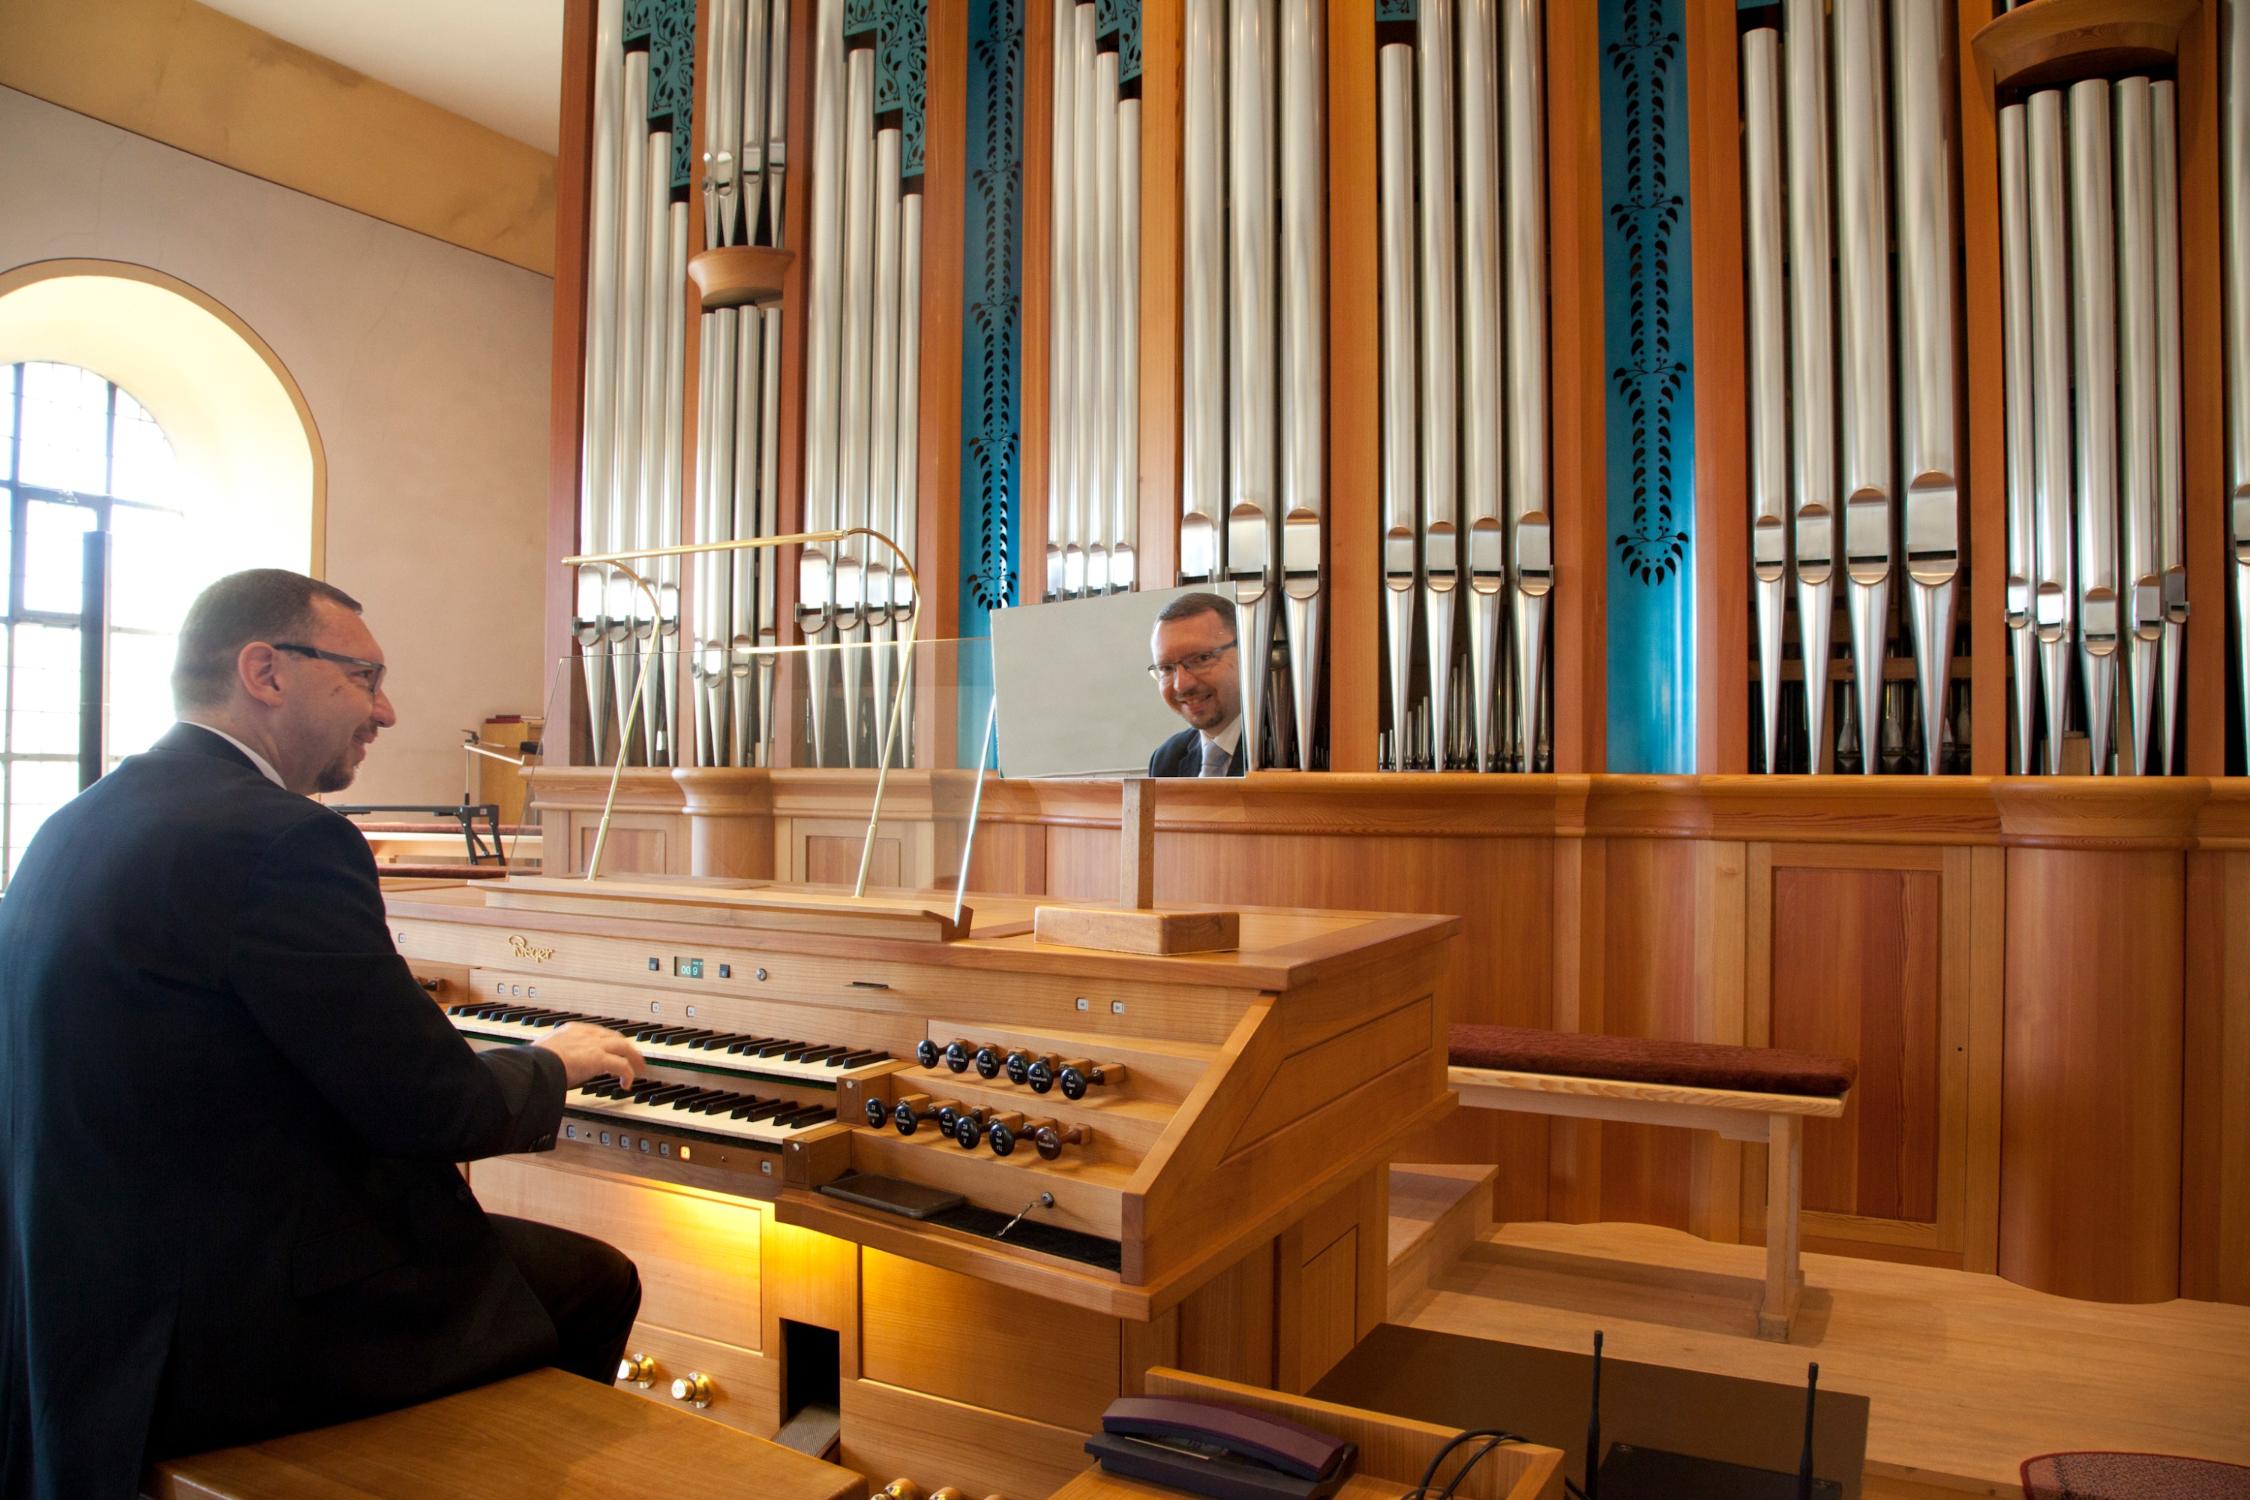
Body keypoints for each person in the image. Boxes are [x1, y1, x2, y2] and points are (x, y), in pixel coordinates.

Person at [0, 569, 649, 1500]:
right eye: (363, 678)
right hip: (205, 1327)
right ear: (265, 670)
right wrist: (549, 1063)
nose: (386, 712)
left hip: (76, 1293)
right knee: (592, 1279)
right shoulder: (279, 840)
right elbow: (429, 1104)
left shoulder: (84, 818)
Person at [1147, 591, 1246, 778]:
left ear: (1246, 652)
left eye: (1201, 658)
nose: (1181, 685)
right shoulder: (1166, 760)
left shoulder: (1293, 751)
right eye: (1167, 668)